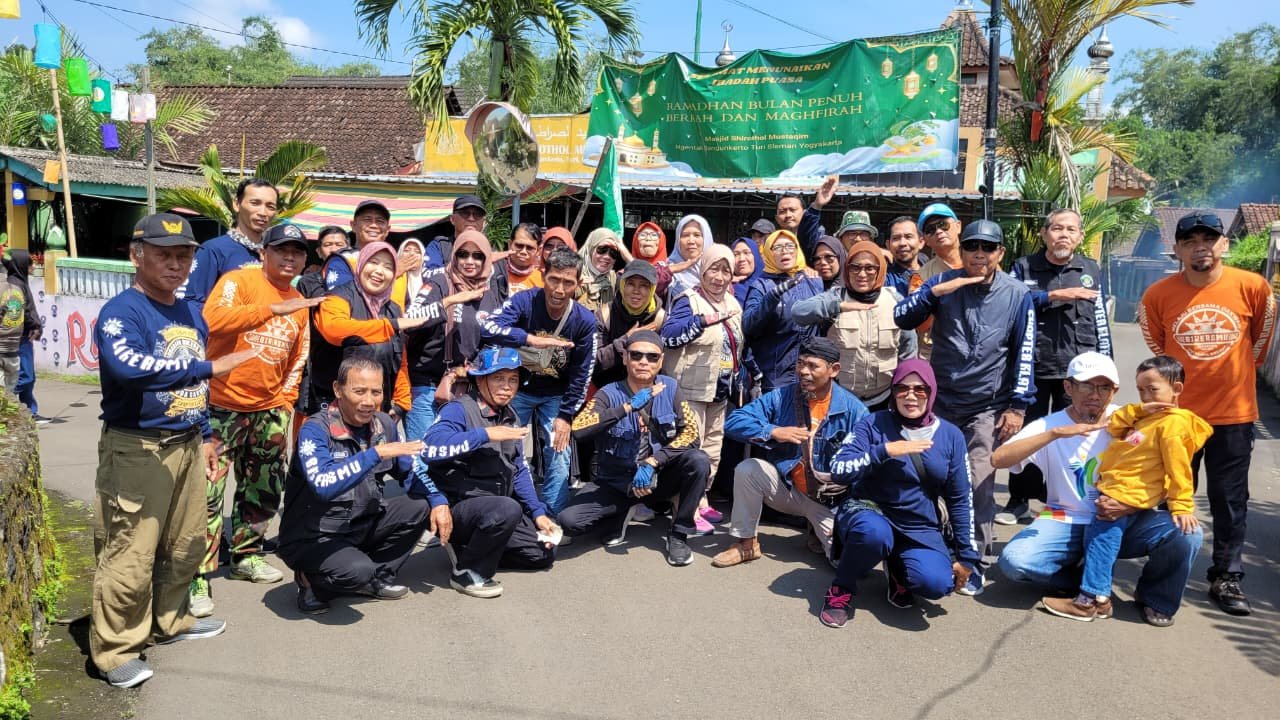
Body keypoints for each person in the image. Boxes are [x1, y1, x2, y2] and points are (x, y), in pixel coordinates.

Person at [91, 213, 255, 688]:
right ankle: (115, 649)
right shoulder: (122, 312)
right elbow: (129, 367)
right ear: (136, 255)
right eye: (164, 254)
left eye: (184, 255)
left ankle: (172, 620)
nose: (176, 263)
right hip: (138, 448)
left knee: (184, 545)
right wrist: (208, 368)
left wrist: (204, 435)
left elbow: (197, 392)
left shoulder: (189, 312)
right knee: (130, 551)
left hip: (186, 443)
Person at [995, 352, 1201, 625]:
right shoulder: (1049, 425)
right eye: (1086, 385)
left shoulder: (1134, 420)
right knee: (1014, 562)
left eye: (1104, 387)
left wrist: (1130, 505)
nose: (1095, 394)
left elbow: (1168, 476)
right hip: (1064, 519)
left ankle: (1156, 598)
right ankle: (1084, 579)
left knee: (1187, 532)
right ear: (1068, 387)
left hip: (1123, 519)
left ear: (1115, 390)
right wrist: (1055, 434)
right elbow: (998, 458)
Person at [1138, 210, 1275, 616]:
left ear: (1224, 244)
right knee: (1169, 497)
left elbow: (1259, 346)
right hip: (1177, 418)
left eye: (1209, 238)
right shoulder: (1157, 296)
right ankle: (1161, 578)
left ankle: (1226, 578)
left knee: (1229, 500)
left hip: (1233, 415)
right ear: (1177, 249)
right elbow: (1159, 353)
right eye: (1191, 240)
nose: (1202, 246)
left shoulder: (1254, 288)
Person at [894, 219, 1036, 594]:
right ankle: (932, 547)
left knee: (977, 483)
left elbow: (1025, 353)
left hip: (986, 406)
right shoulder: (943, 283)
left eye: (988, 248)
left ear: (1000, 253)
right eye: (972, 246)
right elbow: (902, 316)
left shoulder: (1017, 294)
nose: (979, 254)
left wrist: (1018, 406)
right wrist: (936, 293)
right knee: (927, 475)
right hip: (939, 401)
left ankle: (973, 560)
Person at [194, 224, 322, 615]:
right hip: (219, 407)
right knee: (207, 495)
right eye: (281, 249)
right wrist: (270, 309)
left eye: (297, 252)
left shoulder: (299, 301)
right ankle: (196, 577)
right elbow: (212, 319)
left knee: (263, 490)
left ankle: (246, 556)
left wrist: (283, 405)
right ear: (264, 252)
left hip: (268, 411)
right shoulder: (240, 281)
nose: (289, 257)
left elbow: (297, 360)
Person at [819, 360, 980, 628]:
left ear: (931, 392)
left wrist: (966, 556)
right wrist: (884, 451)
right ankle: (842, 588)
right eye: (902, 388)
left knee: (937, 583)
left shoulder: (951, 436)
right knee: (873, 534)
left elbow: (961, 499)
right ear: (893, 392)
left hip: (918, 522)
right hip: (870, 510)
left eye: (920, 389)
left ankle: (898, 571)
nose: (910, 395)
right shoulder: (873, 423)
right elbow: (838, 469)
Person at [278, 357, 440, 615]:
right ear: (337, 389)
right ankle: (311, 583)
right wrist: (374, 455)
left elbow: (409, 472)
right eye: (359, 391)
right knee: (356, 571)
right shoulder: (315, 430)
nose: (369, 401)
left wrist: (438, 500)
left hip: (361, 522)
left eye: (376, 392)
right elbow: (323, 484)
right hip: (314, 536)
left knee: (420, 506)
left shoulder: (384, 424)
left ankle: (375, 578)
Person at [1000, 209, 1113, 525]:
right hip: (1034, 368)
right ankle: (1018, 499)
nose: (1064, 234)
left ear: (1079, 236)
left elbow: (1101, 322)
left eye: (1071, 229)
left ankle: (1060, 501)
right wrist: (1054, 295)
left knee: (1073, 438)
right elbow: (1011, 303)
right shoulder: (1024, 266)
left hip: (1077, 373)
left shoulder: (1090, 269)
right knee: (1029, 436)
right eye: (1057, 228)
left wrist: (1106, 370)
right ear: (1044, 233)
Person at [416, 347, 559, 597]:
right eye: (498, 378)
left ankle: (473, 548)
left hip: (495, 507)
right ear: (480, 379)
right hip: (461, 508)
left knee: (542, 552)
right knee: (507, 508)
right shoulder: (458, 409)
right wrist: (484, 435)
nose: (507, 386)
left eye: (513, 379)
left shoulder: (510, 415)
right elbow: (429, 449)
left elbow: (519, 470)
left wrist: (537, 513)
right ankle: (466, 570)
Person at [559, 330, 710, 566]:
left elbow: (691, 433)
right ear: (625, 358)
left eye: (652, 357)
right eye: (636, 355)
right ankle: (621, 512)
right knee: (569, 521)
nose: (643, 362)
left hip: (657, 478)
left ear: (660, 361)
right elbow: (579, 429)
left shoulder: (670, 387)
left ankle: (679, 533)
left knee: (698, 461)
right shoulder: (608, 393)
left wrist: (654, 461)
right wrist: (626, 408)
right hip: (617, 482)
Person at [714, 338, 869, 567]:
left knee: (847, 563)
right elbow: (734, 422)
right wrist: (774, 431)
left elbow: (865, 468)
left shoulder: (855, 411)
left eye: (813, 366)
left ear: (834, 370)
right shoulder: (782, 396)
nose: (804, 372)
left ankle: (819, 532)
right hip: (789, 490)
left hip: (828, 501)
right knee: (748, 470)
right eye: (800, 364)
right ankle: (746, 544)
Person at [480, 248, 596, 515]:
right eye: (554, 279)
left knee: (559, 448)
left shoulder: (584, 321)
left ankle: (553, 515)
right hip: (517, 388)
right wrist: (530, 339)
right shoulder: (524, 301)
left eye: (568, 282)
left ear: (578, 284)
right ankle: (510, 509)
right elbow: (489, 327)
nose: (559, 288)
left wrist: (566, 416)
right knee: (507, 445)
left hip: (557, 394)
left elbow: (583, 372)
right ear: (543, 275)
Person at [660, 244, 743, 531]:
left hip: (719, 390)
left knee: (712, 449)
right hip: (690, 390)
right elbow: (667, 336)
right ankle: (683, 506)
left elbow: (738, 344)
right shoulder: (688, 301)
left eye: (725, 271)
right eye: (713, 270)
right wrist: (701, 322)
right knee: (689, 450)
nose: (719, 277)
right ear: (702, 270)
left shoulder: (733, 304)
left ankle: (702, 498)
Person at [793, 240, 915, 410]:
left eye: (870, 268)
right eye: (855, 267)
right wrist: (838, 306)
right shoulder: (835, 297)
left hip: (884, 400)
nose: (862, 274)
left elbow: (908, 352)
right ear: (846, 269)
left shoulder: (896, 302)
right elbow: (798, 312)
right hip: (840, 398)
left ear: (880, 271)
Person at [310, 241, 426, 418]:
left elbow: (399, 361)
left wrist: (401, 404)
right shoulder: (337, 297)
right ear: (361, 264)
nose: (379, 271)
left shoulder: (392, 308)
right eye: (373, 262)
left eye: (388, 267)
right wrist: (389, 325)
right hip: (331, 409)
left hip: (375, 412)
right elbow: (334, 329)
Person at [403, 230, 495, 441]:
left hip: (464, 387)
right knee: (422, 455)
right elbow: (410, 319)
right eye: (462, 254)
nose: (469, 261)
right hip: (426, 385)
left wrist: (471, 369)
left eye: (477, 255)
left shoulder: (490, 291)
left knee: (454, 455)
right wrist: (450, 301)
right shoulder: (438, 282)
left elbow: (490, 341)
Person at [742, 229, 824, 392]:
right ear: (768, 253)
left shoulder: (813, 281)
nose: (784, 251)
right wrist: (772, 297)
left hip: (811, 373)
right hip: (775, 376)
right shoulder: (762, 285)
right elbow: (748, 325)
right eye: (777, 247)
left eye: (789, 246)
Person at [178, 179, 278, 308]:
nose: (263, 212)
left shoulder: (275, 252)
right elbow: (191, 301)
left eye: (270, 207)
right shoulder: (214, 250)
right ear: (237, 204)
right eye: (255, 203)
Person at [594, 260, 665, 389]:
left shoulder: (660, 319)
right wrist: (625, 340)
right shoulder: (605, 315)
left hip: (647, 392)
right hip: (607, 392)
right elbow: (593, 362)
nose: (636, 291)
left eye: (644, 286)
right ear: (622, 285)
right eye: (631, 284)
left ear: (652, 289)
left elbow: (664, 367)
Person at [913, 203, 963, 361]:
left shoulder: (984, 262)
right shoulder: (920, 277)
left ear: (958, 226)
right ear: (925, 240)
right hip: (937, 356)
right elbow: (917, 324)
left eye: (943, 224)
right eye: (930, 230)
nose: (938, 231)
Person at [319, 199, 395, 293]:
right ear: (353, 225)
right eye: (367, 219)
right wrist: (396, 274)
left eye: (380, 221)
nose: (374, 225)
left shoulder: (395, 263)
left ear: (387, 230)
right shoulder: (343, 259)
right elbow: (342, 297)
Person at [4, 250, 44, 418]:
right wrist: (34, 324)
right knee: (25, 377)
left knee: (28, 377)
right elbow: (21, 311)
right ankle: (6, 403)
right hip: (20, 337)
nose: (33, 266)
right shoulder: (15, 285)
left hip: (25, 336)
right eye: (30, 263)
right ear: (21, 265)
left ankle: (29, 412)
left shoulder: (20, 281)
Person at [775, 175, 836, 259]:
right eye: (782, 211)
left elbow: (807, 234)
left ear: (804, 213)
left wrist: (817, 205)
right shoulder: (771, 243)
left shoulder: (817, 240)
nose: (788, 215)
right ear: (777, 218)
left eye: (793, 210)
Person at [577, 227, 632, 313]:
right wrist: (573, 285)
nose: (607, 257)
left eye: (613, 253)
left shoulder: (614, 280)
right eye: (602, 249)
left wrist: (627, 257)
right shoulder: (574, 275)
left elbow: (646, 286)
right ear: (590, 249)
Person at [425, 194, 487, 270]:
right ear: (452, 219)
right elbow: (430, 276)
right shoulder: (439, 247)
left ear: (484, 222)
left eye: (477, 214)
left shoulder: (491, 251)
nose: (471, 218)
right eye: (465, 213)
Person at [666, 214, 714, 299]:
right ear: (678, 240)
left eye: (697, 235)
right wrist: (671, 270)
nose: (691, 241)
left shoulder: (718, 271)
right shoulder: (665, 269)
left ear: (706, 239)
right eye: (685, 235)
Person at [491, 223, 544, 300]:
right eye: (519, 245)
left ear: (538, 251)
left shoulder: (542, 281)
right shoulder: (493, 272)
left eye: (529, 248)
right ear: (510, 244)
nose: (523, 251)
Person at [296, 225, 350, 299]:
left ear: (349, 250)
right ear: (319, 252)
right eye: (327, 245)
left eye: (339, 245)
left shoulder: (359, 278)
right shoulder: (307, 282)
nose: (334, 249)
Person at [630, 220, 673, 299]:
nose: (648, 238)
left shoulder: (671, 271)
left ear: (661, 241)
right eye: (643, 235)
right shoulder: (624, 273)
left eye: (654, 235)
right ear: (636, 242)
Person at [883, 216, 924, 297]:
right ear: (888, 245)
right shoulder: (883, 278)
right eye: (896, 238)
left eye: (908, 237)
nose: (902, 243)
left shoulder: (936, 273)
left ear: (921, 242)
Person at [392, 237, 426, 313]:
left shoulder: (429, 279)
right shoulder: (392, 277)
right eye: (406, 250)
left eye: (417, 252)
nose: (412, 254)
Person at [730, 237, 764, 304]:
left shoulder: (767, 285)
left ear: (756, 255)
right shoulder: (723, 287)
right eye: (736, 254)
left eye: (746, 253)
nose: (741, 259)